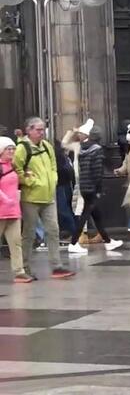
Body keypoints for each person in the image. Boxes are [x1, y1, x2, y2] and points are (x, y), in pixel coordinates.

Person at [13, 117, 74, 279]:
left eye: (43, 129)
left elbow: (53, 166)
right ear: (29, 130)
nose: (41, 133)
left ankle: (57, 266)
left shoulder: (47, 146)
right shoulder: (22, 148)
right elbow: (16, 169)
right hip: (31, 198)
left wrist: (53, 180)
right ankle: (24, 267)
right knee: (29, 233)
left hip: (48, 196)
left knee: (53, 230)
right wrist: (30, 181)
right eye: (38, 130)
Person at [65, 126, 123, 254]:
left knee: (96, 216)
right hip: (92, 187)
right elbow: (97, 171)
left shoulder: (81, 149)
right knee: (85, 215)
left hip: (84, 185)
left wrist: (72, 132)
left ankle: (108, 241)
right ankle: (73, 243)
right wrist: (98, 188)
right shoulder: (97, 150)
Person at [0, 137, 32, 283]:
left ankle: (19, 272)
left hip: (13, 211)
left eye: (13, 148)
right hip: (1, 211)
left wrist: (25, 176)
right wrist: (5, 199)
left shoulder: (12, 166)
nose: (12, 151)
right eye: (8, 149)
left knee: (16, 243)